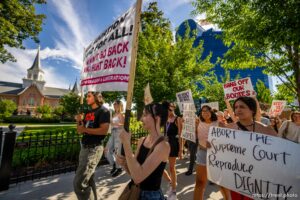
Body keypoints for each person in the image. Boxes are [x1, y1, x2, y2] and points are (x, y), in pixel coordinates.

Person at [226, 97, 277, 200]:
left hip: (258, 178)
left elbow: (280, 151)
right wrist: (212, 144)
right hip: (236, 176)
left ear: (252, 110)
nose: (238, 110)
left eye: (242, 107)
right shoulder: (228, 128)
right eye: (236, 107)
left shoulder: (265, 129)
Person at [117, 102, 170, 200]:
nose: (141, 119)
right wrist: (125, 163)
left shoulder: (163, 146)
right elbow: (133, 173)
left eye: (145, 115)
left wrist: (127, 144)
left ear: (157, 119)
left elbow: (138, 177)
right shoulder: (142, 140)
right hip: (135, 192)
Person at [73, 92, 110, 200]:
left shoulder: (104, 111)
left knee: (79, 183)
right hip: (84, 147)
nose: (86, 98)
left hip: (93, 149)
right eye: (86, 96)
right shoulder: (88, 112)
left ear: (96, 96)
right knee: (88, 180)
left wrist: (85, 129)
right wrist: (79, 120)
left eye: (89, 96)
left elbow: (104, 131)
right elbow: (80, 130)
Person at [193, 105, 229, 200]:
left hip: (216, 155)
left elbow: (228, 138)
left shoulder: (218, 123)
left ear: (211, 112)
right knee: (199, 182)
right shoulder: (198, 122)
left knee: (221, 183)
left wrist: (214, 143)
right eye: (203, 111)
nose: (205, 113)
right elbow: (195, 135)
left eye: (207, 110)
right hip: (202, 153)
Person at [162, 102, 183, 200]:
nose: (167, 112)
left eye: (169, 110)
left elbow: (180, 135)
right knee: (160, 166)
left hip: (173, 144)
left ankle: (173, 192)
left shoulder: (177, 119)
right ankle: (172, 182)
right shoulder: (165, 119)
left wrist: (181, 150)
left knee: (171, 167)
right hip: (165, 144)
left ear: (172, 109)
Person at [105, 100, 124, 177]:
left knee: (117, 151)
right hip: (113, 132)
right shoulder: (114, 114)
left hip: (118, 133)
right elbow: (112, 124)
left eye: (115, 103)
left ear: (119, 105)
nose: (114, 105)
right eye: (113, 104)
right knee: (106, 150)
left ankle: (119, 168)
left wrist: (114, 124)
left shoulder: (121, 114)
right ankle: (114, 164)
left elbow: (123, 125)